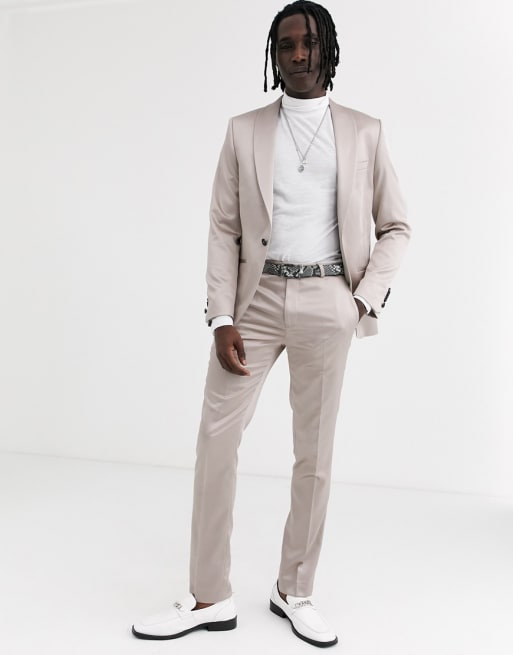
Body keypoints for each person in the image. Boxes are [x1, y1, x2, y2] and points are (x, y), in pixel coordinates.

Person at [132, 0, 410, 647]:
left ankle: (295, 589)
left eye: (308, 42)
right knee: (216, 440)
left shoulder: (365, 131)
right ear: (273, 55)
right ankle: (209, 595)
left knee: (314, 453)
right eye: (285, 44)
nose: (297, 54)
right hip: (252, 305)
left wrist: (360, 302)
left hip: (327, 300)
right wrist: (221, 315)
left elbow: (395, 225)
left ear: (328, 50)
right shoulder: (244, 130)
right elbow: (223, 228)